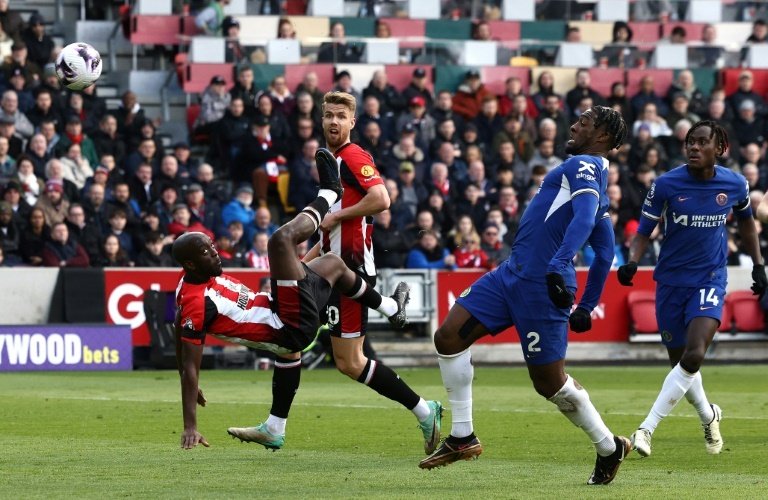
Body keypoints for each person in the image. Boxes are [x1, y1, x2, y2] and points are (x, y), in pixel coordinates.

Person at [419, 106, 631, 486]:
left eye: (583, 122)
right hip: (511, 274)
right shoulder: (592, 180)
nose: (574, 125)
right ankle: (463, 436)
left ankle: (608, 447)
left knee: (550, 383)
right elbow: (604, 252)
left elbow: (587, 226)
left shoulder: (587, 165)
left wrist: (559, 265)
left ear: (601, 137)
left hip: (542, 285)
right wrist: (586, 304)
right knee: (448, 337)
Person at [227, 91, 443, 455]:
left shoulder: (353, 155)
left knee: (348, 360)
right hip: (333, 267)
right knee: (294, 335)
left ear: (352, 122)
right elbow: (328, 234)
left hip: (351, 269)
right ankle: (275, 426)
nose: (333, 121)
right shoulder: (331, 159)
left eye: (341, 116)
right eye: (328, 114)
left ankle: (425, 409)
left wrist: (338, 215)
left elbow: (382, 199)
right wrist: (298, 264)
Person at [174, 148, 415, 449]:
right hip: (288, 325)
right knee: (280, 241)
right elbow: (190, 352)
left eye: (212, 246)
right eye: (207, 252)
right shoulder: (197, 302)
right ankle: (329, 193)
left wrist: (182, 371)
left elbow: (178, 329)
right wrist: (190, 423)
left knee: (333, 264)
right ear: (191, 264)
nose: (215, 253)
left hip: (281, 310)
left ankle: (392, 308)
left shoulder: (189, 286)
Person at [617, 120, 767, 458]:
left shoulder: (735, 184)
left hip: (710, 278)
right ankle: (708, 414)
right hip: (670, 282)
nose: (694, 148)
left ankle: (647, 428)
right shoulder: (666, 184)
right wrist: (632, 260)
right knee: (681, 365)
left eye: (701, 142)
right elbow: (644, 229)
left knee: (695, 353)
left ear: (720, 148)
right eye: (689, 143)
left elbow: (746, 223)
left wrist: (758, 264)